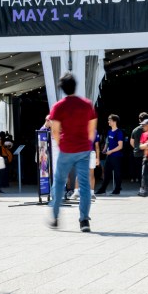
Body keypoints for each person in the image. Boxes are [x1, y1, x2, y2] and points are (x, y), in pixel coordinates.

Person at [47, 72, 98, 232]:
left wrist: (62, 144)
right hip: (83, 149)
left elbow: (55, 131)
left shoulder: (58, 106)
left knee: (59, 182)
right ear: (76, 86)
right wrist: (87, 143)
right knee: (84, 185)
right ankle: (84, 221)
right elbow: (92, 129)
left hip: (66, 149)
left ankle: (55, 216)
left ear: (62, 88)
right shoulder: (87, 104)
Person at [95, 114, 125, 195]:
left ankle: (117, 189)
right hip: (109, 156)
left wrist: (111, 151)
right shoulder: (109, 131)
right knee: (106, 172)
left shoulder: (119, 132)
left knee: (117, 173)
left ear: (114, 121)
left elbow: (120, 146)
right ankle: (103, 189)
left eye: (110, 120)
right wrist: (104, 149)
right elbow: (107, 142)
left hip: (116, 156)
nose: (108, 122)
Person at [129, 112, 148, 184]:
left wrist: (136, 147)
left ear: (140, 120)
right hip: (147, 153)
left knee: (140, 171)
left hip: (137, 153)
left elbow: (131, 142)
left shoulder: (135, 130)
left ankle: (142, 187)